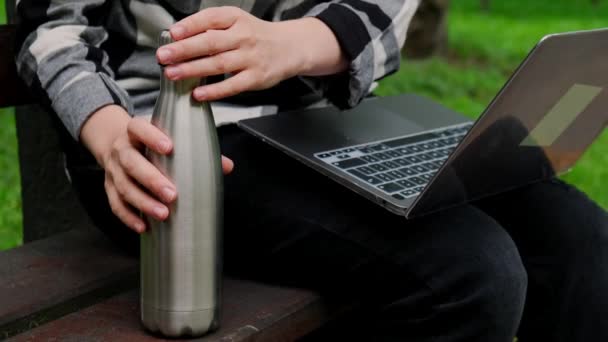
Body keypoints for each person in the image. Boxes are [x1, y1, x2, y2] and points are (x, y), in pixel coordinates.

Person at [15, 1, 608, 341]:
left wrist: (289, 44)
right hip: (159, 141)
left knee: (581, 239)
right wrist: (106, 132)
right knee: (474, 270)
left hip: (317, 118)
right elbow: (51, 27)